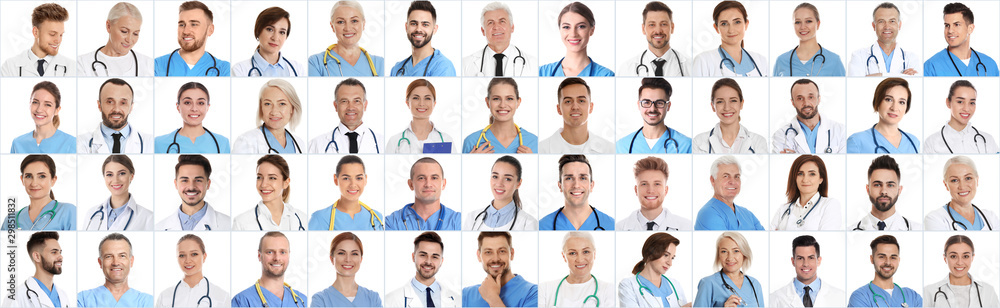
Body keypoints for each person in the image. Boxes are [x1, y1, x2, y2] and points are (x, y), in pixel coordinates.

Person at [77, 78, 155, 154]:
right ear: (99, 105)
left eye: (123, 103)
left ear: (131, 107)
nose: (116, 109)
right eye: (110, 102)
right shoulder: (79, 143)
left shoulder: (150, 143)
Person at [155, 155, 232, 231]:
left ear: (208, 184)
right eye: (184, 180)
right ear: (176, 184)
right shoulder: (158, 228)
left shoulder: (229, 225)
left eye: (198, 180)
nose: (191, 187)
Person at [308, 155, 385, 231]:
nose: (353, 184)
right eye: (346, 178)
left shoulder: (376, 217)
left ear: (365, 180)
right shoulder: (320, 218)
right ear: (335, 179)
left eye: (359, 178)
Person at [616, 78, 692, 154]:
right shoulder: (622, 146)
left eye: (659, 103)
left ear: (668, 106)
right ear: (639, 105)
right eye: (646, 102)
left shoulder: (686, 145)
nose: (652, 109)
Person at [308, 78, 384, 154]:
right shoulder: (316, 145)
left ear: (365, 105)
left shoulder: (382, 143)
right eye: (344, 101)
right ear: (336, 106)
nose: (350, 107)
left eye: (357, 101)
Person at [154, 1, 231, 76]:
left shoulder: (224, 69)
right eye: (181, 25)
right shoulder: (157, 65)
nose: (186, 31)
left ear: (210, 30)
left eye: (194, 24)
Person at [462, 78, 539, 154]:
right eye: (496, 99)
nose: (502, 105)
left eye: (509, 98)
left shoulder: (534, 142)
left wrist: (532, 160)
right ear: (488, 102)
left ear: (518, 102)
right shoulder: (471, 142)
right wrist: (471, 161)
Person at [539, 155, 615, 230]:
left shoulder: (611, 225)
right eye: (569, 178)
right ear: (560, 186)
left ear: (591, 185)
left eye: (583, 178)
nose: (576, 185)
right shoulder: (542, 226)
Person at [385, 232, 461, 307]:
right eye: (423, 255)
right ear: (413, 257)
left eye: (434, 257)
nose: (428, 262)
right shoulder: (391, 300)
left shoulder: (457, 300)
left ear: (441, 261)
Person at [692, 1, 768, 77]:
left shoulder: (761, 61)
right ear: (716, 28)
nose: (731, 30)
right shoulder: (704, 61)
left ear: (746, 24)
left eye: (737, 22)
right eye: (724, 24)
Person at [538, 232, 614, 307]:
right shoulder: (545, 289)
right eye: (572, 253)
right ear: (564, 256)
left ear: (594, 254)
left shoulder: (608, 290)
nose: (580, 260)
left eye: (586, 252)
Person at [231, 232, 307, 307]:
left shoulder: (302, 301)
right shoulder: (242, 301)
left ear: (289, 255)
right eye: (270, 252)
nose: (277, 258)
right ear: (259, 255)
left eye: (282, 252)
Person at [77, 233, 154, 307]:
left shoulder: (147, 301)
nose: (116, 262)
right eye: (109, 256)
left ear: (131, 261)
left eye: (122, 256)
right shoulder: (83, 300)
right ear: (100, 262)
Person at [463, 232, 538, 307]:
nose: (495, 259)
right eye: (488, 252)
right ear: (479, 256)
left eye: (502, 251)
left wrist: (493, 299)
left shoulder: (533, 293)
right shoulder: (466, 294)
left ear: (511, 254)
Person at [693, 78, 767, 154]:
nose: (727, 108)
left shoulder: (758, 142)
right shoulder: (699, 142)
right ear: (713, 106)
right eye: (720, 102)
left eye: (733, 100)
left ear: (741, 104)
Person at [539, 2, 614, 77]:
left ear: (592, 30)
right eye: (566, 27)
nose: (573, 34)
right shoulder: (541, 72)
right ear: (560, 30)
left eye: (581, 26)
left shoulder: (606, 75)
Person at [77, 2, 154, 76]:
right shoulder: (82, 64)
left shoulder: (149, 65)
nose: (129, 40)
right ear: (109, 26)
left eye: (135, 33)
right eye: (124, 31)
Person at [308, 1, 383, 76]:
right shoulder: (316, 63)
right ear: (332, 26)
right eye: (341, 22)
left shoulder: (379, 64)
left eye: (354, 21)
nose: (348, 28)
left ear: (363, 24)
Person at [539, 78, 613, 153]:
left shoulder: (610, 149)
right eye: (568, 101)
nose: (575, 107)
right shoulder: (541, 149)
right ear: (559, 109)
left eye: (581, 101)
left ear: (591, 107)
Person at [846, 77, 920, 153]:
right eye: (888, 99)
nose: (894, 108)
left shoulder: (914, 142)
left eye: (901, 102)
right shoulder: (856, 142)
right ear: (877, 102)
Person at [772, 79, 847, 154]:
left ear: (818, 99)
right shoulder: (781, 135)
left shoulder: (840, 131)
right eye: (800, 98)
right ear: (793, 102)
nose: (806, 103)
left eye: (810, 97)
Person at [385, 157, 462, 230]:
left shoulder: (459, 221)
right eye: (421, 178)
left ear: (443, 184)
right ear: (411, 184)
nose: (428, 184)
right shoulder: (391, 222)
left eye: (434, 178)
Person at [154, 82, 232, 153]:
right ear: (178, 107)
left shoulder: (222, 143)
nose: (194, 109)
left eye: (200, 103)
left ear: (207, 107)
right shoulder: (158, 143)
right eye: (187, 102)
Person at [233, 155, 306, 231]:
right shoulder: (241, 223)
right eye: (259, 177)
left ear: (286, 183)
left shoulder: (303, 219)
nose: (263, 184)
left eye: (272, 178)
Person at [617, 156, 692, 231]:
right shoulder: (618, 228)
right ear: (636, 190)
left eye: (657, 184)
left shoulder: (687, 227)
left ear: (666, 190)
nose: (651, 190)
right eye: (644, 184)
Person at [923, 80, 999, 154]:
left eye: (972, 103)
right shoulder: (931, 143)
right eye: (960, 102)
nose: (966, 109)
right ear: (948, 103)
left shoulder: (988, 140)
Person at [923, 235, 1000, 307]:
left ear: (972, 258)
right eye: (953, 256)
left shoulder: (988, 291)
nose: (959, 262)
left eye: (965, 256)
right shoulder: (929, 292)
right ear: (945, 258)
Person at [924, 156, 998, 231]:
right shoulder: (935, 219)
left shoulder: (990, 218)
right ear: (946, 185)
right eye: (954, 180)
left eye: (968, 178)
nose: (962, 186)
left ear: (977, 180)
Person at [155, 234, 230, 308]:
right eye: (182, 255)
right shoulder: (164, 297)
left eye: (194, 254)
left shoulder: (222, 297)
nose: (188, 261)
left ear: (204, 257)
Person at [465, 155, 538, 230]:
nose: (499, 184)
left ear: (518, 183)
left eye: (507, 179)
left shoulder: (528, 223)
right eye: (495, 177)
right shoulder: (472, 218)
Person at [769, 155, 842, 231]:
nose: (805, 179)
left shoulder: (830, 205)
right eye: (800, 174)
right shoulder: (783, 209)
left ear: (821, 179)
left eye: (812, 174)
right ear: (795, 178)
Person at [462, 2, 536, 76]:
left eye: (502, 21)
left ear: (512, 28)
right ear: (483, 31)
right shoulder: (466, 64)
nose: (496, 27)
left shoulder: (532, 64)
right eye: (490, 23)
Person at [769, 235, 845, 307]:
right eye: (800, 258)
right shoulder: (776, 299)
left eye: (811, 258)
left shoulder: (840, 297)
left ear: (818, 261)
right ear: (793, 261)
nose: (805, 264)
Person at [924, 3, 998, 77]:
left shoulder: (990, 64)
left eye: (957, 25)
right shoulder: (931, 66)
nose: (950, 31)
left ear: (970, 29)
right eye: (947, 25)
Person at [848, 235, 923, 307]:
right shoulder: (860, 297)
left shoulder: (913, 296)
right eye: (882, 257)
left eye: (893, 257)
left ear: (898, 260)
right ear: (872, 259)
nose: (888, 262)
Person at [619, 1, 691, 77]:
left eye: (663, 24)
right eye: (652, 25)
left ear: (672, 28)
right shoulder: (626, 69)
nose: (658, 31)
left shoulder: (690, 67)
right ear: (643, 29)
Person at [232, 79, 305, 154]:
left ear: (292, 108)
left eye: (282, 104)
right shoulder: (246, 141)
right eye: (268, 104)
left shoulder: (299, 144)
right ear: (261, 107)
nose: (274, 112)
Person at [618, 233, 690, 307]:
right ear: (650, 253)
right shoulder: (628, 285)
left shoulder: (675, 285)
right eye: (666, 255)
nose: (670, 263)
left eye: (672, 258)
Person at [83, 155, 154, 231]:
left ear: (131, 176)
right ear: (104, 178)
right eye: (109, 175)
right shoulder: (92, 213)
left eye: (122, 173)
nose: (115, 180)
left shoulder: (148, 217)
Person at [693, 232, 765, 307]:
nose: (730, 258)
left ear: (744, 254)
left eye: (736, 251)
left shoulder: (754, 284)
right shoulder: (708, 283)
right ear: (719, 255)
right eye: (724, 251)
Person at [385, 78, 457, 153]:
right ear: (407, 103)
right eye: (416, 98)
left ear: (434, 103)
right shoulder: (394, 142)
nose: (421, 103)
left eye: (427, 98)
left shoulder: (446, 140)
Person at [310, 232, 382, 307]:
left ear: (361, 259)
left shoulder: (373, 298)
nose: (348, 259)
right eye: (341, 253)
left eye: (354, 254)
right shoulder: (320, 300)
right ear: (332, 259)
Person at [847, 2, 920, 76]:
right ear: (874, 26)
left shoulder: (911, 58)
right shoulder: (859, 56)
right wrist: (902, 76)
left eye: (892, 21)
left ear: (899, 25)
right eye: (881, 21)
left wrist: (874, 76)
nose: (887, 26)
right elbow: (855, 84)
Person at [6, 155, 77, 230]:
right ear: (22, 180)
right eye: (29, 176)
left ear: (53, 180)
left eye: (42, 176)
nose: (34, 183)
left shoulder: (68, 211)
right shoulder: (11, 219)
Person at [1, 3, 74, 76]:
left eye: (61, 35)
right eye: (52, 34)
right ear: (36, 32)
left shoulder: (72, 68)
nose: (58, 40)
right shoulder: (9, 67)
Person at [773, 3, 845, 76]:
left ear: (818, 24)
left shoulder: (834, 61)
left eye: (808, 21)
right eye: (798, 22)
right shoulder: (781, 61)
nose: (803, 27)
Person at [694, 155, 764, 231]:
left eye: (736, 176)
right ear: (713, 180)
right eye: (726, 176)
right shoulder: (708, 214)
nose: (733, 182)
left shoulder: (747, 214)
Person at [852, 155, 920, 231]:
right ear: (868, 189)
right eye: (877, 185)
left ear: (899, 190)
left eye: (890, 185)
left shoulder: (918, 229)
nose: (884, 191)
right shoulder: (850, 230)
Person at [232, 7, 305, 76]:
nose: (275, 38)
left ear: (286, 36)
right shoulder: (240, 70)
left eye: (282, 32)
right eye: (270, 29)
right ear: (258, 31)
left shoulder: (298, 69)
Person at [390, 0, 456, 77]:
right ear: (406, 27)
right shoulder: (397, 69)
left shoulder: (443, 67)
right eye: (414, 24)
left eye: (425, 24)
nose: (418, 29)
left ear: (434, 29)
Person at [11, 81, 76, 154]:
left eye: (47, 104)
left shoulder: (71, 143)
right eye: (35, 102)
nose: (39, 109)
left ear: (57, 110)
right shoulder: (17, 143)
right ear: (29, 104)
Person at [10, 232, 70, 308]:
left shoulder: (63, 295)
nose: (61, 257)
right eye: (54, 252)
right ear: (37, 256)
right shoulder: (16, 297)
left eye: (60, 252)